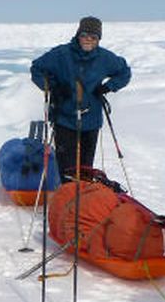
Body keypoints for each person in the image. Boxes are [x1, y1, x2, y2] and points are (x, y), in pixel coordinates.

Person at [30, 16, 131, 182]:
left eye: (93, 37)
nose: (88, 40)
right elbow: (37, 69)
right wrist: (53, 87)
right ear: (78, 35)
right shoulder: (61, 55)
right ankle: (67, 199)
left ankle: (83, 202)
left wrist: (108, 87)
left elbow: (124, 72)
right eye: (84, 35)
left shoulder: (105, 58)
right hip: (64, 118)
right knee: (67, 168)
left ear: (99, 39)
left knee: (86, 168)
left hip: (91, 121)